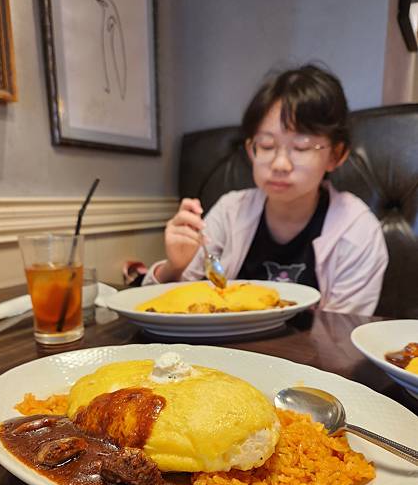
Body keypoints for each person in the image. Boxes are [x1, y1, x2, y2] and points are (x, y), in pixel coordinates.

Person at [143, 64, 388, 315]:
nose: (280, 164)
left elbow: (340, 337)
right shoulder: (230, 211)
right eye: (267, 145)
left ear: (336, 155)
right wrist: (174, 267)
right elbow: (175, 311)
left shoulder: (357, 231)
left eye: (302, 147)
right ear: (251, 149)